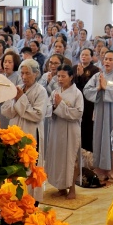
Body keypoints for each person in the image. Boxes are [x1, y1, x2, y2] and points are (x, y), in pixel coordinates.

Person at [84, 50, 113, 180]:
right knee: (98, 137)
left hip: (112, 112)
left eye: (110, 59)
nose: (107, 62)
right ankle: (99, 168)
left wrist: (106, 88)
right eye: (106, 59)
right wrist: (98, 88)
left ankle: (112, 169)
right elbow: (87, 90)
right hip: (99, 111)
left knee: (112, 138)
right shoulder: (97, 76)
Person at [46, 65, 84, 199]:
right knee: (58, 158)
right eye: (58, 76)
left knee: (71, 159)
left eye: (63, 76)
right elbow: (48, 109)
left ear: (71, 77)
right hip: (57, 128)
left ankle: (72, 189)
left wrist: (60, 105)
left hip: (71, 129)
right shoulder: (55, 92)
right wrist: (54, 107)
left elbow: (78, 113)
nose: (60, 79)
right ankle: (61, 188)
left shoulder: (77, 93)